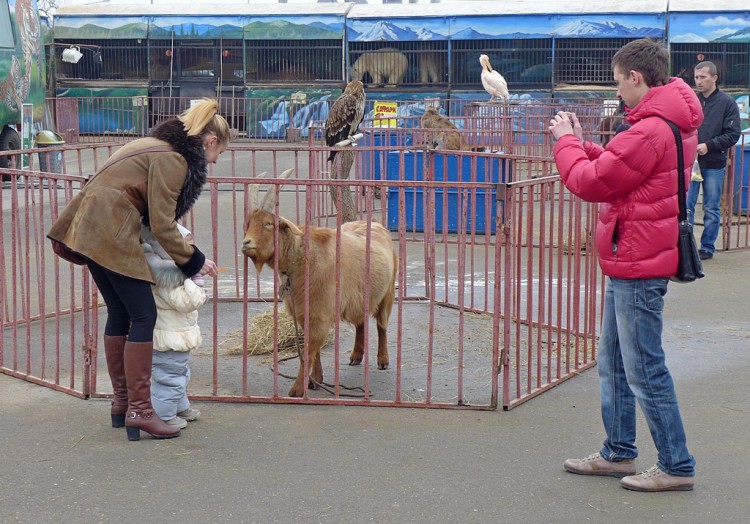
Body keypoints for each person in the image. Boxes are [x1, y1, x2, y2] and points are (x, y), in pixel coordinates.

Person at [548, 39, 701, 492]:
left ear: (636, 77)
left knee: (643, 367)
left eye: (618, 83)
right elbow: (621, 171)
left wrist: (565, 143)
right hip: (632, 256)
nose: (617, 93)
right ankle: (619, 451)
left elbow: (590, 182)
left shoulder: (651, 129)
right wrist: (583, 143)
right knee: (614, 361)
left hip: (638, 259)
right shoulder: (663, 121)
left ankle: (676, 464)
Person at [47, 99, 227, 441]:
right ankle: (140, 411)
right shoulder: (173, 159)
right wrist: (195, 260)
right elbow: (162, 224)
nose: (215, 161)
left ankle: (122, 403)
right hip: (111, 228)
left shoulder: (153, 145)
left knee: (120, 312)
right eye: (218, 153)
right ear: (210, 141)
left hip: (89, 228)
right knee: (144, 315)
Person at [142, 223, 206, 429]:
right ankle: (164, 414)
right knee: (170, 377)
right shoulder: (168, 278)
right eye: (185, 248)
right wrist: (195, 280)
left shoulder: (167, 272)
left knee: (180, 373)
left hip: (176, 335)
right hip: (169, 338)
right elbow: (189, 301)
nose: (191, 253)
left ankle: (180, 407)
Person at [686, 61, 741, 260]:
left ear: (714, 78)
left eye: (703, 77)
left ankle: (707, 247)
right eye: (696, 77)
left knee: (711, 206)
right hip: (691, 163)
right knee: (687, 206)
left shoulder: (727, 103)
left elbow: (733, 134)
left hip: (714, 162)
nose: (698, 81)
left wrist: (709, 145)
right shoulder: (692, 100)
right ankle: (687, 246)